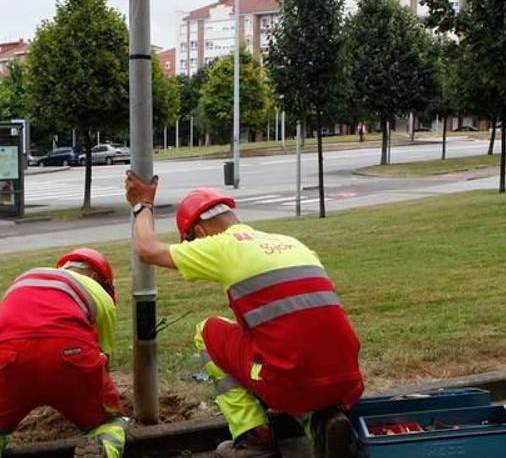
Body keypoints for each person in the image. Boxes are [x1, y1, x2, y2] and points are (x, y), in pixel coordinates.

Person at [124, 173, 364, 458]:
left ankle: (254, 436)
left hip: (289, 381)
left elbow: (147, 249)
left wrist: (142, 205)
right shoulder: (292, 243)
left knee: (208, 332)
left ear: (199, 233)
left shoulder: (223, 246)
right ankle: (324, 423)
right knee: (292, 353)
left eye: (190, 241)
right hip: (346, 379)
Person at [0, 248, 127, 458]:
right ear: (95, 277)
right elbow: (104, 356)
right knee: (110, 424)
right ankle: (103, 447)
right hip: (69, 354)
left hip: (7, 356)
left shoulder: (23, 280)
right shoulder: (97, 291)